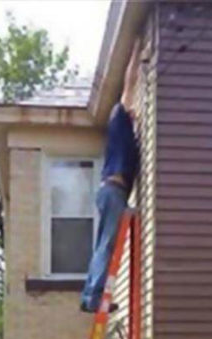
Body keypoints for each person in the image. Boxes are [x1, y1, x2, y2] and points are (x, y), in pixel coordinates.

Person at [80, 39, 141, 313]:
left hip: (110, 191)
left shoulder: (122, 129)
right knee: (106, 245)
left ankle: (89, 295)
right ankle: (93, 297)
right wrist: (137, 51)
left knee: (102, 245)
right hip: (114, 191)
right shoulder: (119, 115)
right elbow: (129, 87)